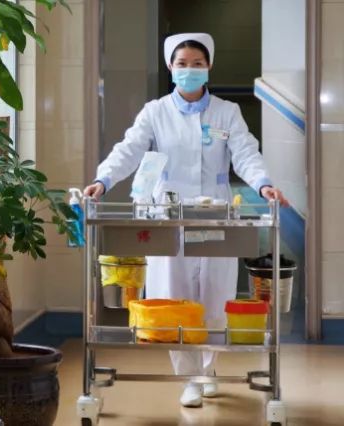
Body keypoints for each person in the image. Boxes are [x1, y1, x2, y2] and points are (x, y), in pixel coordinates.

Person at [83, 33, 289, 408]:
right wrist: (103, 180)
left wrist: (263, 184)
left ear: (209, 66)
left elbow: (246, 153)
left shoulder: (227, 112)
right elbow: (128, 150)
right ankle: (189, 377)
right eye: (182, 64)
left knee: (215, 294)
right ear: (170, 67)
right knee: (173, 297)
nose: (189, 70)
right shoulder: (155, 112)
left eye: (197, 63)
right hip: (169, 216)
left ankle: (208, 367)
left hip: (215, 215)